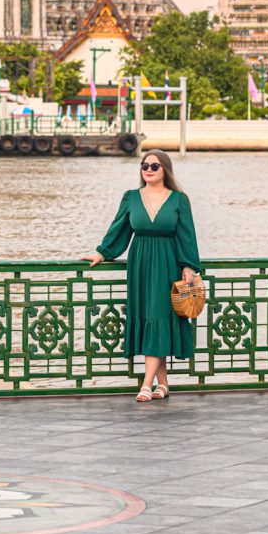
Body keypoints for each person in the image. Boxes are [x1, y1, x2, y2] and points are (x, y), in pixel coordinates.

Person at [82, 149, 202, 402]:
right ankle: (163, 385)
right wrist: (101, 254)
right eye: (144, 165)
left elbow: (187, 235)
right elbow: (119, 229)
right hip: (139, 264)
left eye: (154, 166)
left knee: (158, 317)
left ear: (165, 170)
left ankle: (146, 385)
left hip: (167, 264)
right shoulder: (131, 197)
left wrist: (189, 266)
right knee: (150, 318)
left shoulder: (179, 199)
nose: (148, 169)